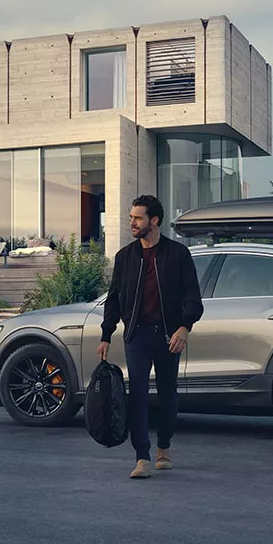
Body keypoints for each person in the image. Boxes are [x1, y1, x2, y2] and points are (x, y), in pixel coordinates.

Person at [97, 195, 204, 479]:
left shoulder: (178, 255)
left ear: (154, 221)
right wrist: (106, 334)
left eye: (137, 218)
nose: (132, 223)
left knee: (168, 394)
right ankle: (141, 456)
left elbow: (193, 298)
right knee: (138, 395)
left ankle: (164, 448)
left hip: (168, 336)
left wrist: (185, 327)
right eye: (131, 217)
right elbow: (114, 300)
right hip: (137, 336)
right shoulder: (125, 257)